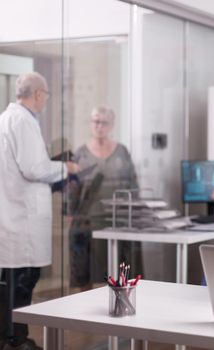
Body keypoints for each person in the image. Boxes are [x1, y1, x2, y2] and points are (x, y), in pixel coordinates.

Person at [0, 72, 79, 350]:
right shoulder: (21, 120)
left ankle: (14, 336)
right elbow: (34, 168)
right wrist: (65, 168)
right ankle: (14, 339)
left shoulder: (11, 119)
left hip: (16, 215)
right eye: (45, 94)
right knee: (21, 283)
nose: (46, 100)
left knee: (17, 283)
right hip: (21, 219)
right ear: (37, 94)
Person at [68, 106, 140, 291]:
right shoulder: (81, 153)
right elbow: (73, 188)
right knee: (85, 273)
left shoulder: (122, 152)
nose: (99, 126)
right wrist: (70, 213)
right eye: (95, 121)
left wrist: (137, 213)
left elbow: (133, 185)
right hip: (88, 222)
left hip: (118, 221)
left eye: (103, 122)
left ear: (111, 125)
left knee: (120, 273)